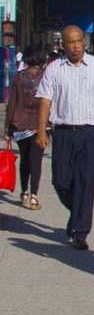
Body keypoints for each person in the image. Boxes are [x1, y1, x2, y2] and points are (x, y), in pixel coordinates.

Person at [35, 26, 94, 250]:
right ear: (63, 44)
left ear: (85, 42)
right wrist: (41, 131)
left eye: (78, 41)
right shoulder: (54, 70)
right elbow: (45, 101)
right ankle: (77, 213)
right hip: (63, 133)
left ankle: (81, 231)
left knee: (86, 182)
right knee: (61, 181)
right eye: (70, 42)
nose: (75, 46)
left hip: (91, 134)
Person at [4, 46, 47, 209]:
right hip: (39, 125)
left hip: (19, 125)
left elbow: (12, 104)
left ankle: (24, 192)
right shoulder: (46, 77)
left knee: (24, 160)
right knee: (36, 161)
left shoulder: (18, 77)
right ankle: (34, 196)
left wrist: (7, 128)